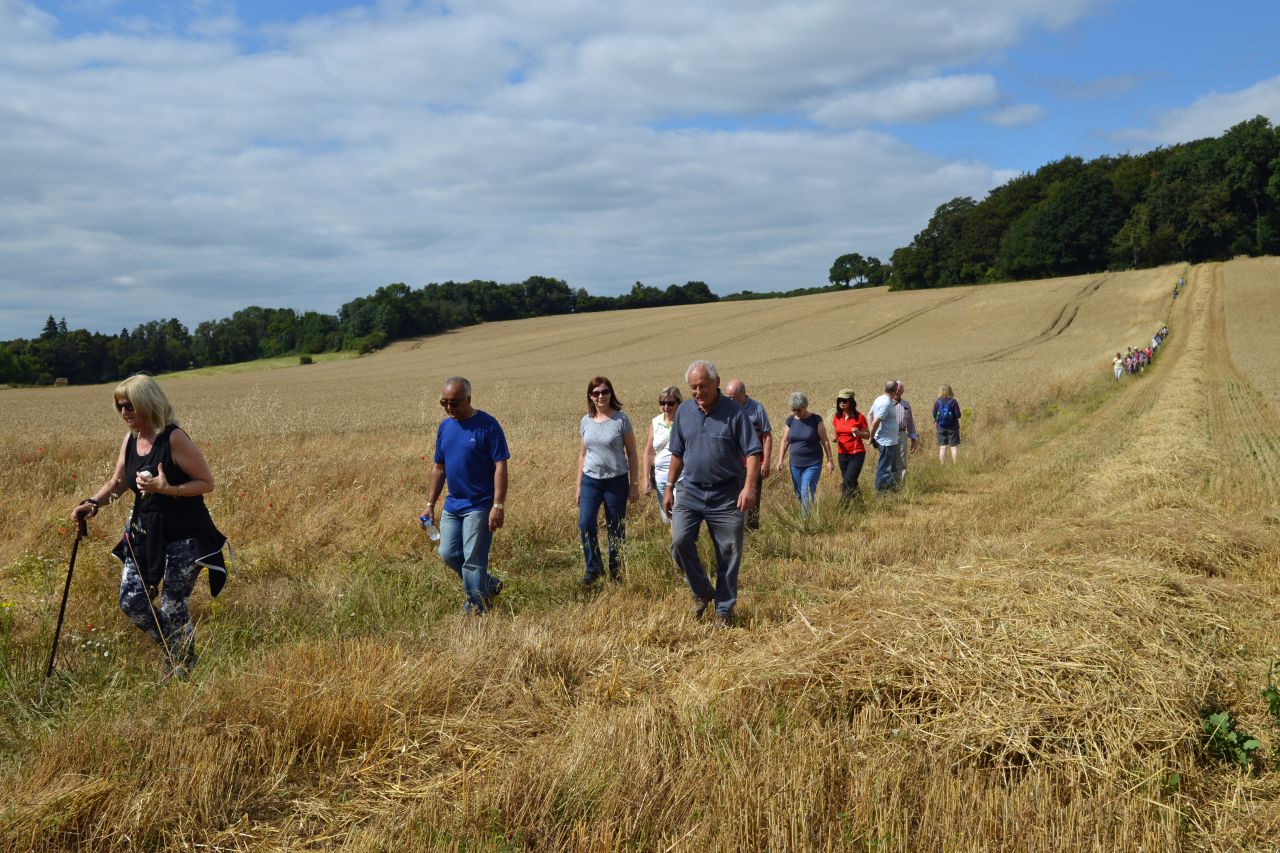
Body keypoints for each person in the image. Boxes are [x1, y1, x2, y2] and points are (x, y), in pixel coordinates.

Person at [71, 374, 228, 683]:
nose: (124, 413)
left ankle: (183, 670)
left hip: (185, 536)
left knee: (172, 603)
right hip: (144, 534)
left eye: (129, 406)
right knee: (132, 601)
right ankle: (179, 654)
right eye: (119, 407)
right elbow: (117, 483)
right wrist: (93, 503)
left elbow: (206, 483)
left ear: (146, 403)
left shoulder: (173, 438)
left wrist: (167, 488)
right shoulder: (131, 440)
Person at [664, 360, 762, 627]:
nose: (698, 392)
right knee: (680, 542)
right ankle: (703, 590)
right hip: (691, 492)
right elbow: (677, 453)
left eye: (703, 386)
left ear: (717, 383)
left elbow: (753, 452)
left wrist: (749, 487)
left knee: (729, 552)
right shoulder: (684, 412)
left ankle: (724, 610)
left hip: (727, 494)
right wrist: (669, 487)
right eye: (693, 387)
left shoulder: (734, 413)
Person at [423, 377, 509, 614]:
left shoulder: (488, 425)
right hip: (453, 505)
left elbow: (500, 465)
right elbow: (438, 467)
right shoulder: (445, 427)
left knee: (473, 560)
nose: (449, 407)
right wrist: (430, 504)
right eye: (444, 402)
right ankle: (489, 584)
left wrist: (498, 505)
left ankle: (475, 606)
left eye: (455, 403)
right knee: (448, 553)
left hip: (480, 505)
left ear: (469, 400)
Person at [576, 376, 640, 584]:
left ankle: (617, 570)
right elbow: (583, 454)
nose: (600, 396)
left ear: (611, 393)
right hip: (590, 481)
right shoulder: (585, 421)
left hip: (616, 480)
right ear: (590, 397)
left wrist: (634, 484)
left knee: (616, 527)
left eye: (604, 392)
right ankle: (593, 567)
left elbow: (632, 452)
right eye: (596, 393)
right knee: (585, 523)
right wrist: (578, 486)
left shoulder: (621, 420)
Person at [774, 391, 834, 513]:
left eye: (799, 410)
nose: (796, 413)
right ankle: (808, 515)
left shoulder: (816, 420)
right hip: (795, 464)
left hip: (813, 463)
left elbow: (825, 441)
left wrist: (830, 460)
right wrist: (780, 460)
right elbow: (785, 441)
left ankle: (805, 524)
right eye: (794, 410)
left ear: (805, 406)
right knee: (799, 493)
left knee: (806, 491)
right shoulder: (790, 421)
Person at [724, 380, 772, 530]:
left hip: (753, 463)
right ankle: (735, 530)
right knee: (731, 499)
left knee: (752, 500)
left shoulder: (757, 408)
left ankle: (752, 533)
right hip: (732, 464)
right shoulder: (725, 409)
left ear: (743, 394)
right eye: (728, 397)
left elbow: (767, 436)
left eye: (734, 397)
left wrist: (766, 462)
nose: (730, 400)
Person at [642, 385, 683, 524]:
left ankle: (680, 545)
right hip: (661, 479)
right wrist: (646, 478)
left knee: (679, 518)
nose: (666, 406)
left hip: (682, 478)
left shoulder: (684, 421)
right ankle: (678, 545)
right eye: (663, 403)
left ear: (678, 403)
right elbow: (648, 452)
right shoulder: (656, 422)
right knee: (668, 519)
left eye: (670, 403)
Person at [829, 388, 870, 503]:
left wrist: (858, 433)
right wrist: (834, 438)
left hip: (856, 454)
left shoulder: (859, 417)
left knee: (847, 481)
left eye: (844, 400)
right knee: (852, 482)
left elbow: (868, 435)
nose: (841, 402)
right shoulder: (837, 417)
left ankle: (842, 508)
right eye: (839, 400)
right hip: (842, 454)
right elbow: (836, 433)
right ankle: (860, 506)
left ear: (851, 402)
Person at [867, 380, 900, 493]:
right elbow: (875, 421)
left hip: (889, 440)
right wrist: (871, 436)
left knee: (891, 468)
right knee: (885, 469)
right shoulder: (886, 403)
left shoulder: (879, 399)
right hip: (886, 442)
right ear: (895, 390)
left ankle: (890, 491)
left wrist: (873, 435)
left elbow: (869, 415)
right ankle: (881, 494)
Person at [892, 381, 918, 486]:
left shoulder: (906, 405)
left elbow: (911, 423)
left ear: (903, 391)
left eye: (900, 389)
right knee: (890, 461)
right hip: (889, 435)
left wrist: (913, 439)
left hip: (902, 434)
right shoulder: (886, 403)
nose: (898, 391)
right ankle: (890, 486)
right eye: (896, 389)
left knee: (902, 461)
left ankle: (901, 486)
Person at [933, 384, 962, 464]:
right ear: (950, 391)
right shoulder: (953, 401)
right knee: (954, 447)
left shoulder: (937, 402)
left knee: (942, 448)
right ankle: (955, 465)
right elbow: (958, 415)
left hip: (940, 428)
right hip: (953, 428)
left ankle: (942, 465)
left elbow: (934, 415)